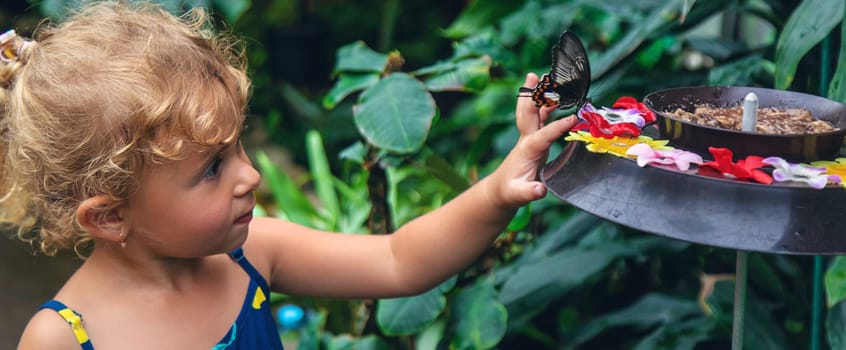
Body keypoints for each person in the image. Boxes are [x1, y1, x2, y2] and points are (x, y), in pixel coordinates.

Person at [2, 1, 576, 349]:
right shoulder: (63, 338)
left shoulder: (251, 252)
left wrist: (501, 189)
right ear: (110, 215)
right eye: (212, 169)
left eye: (238, 147)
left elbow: (399, 261)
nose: (250, 177)